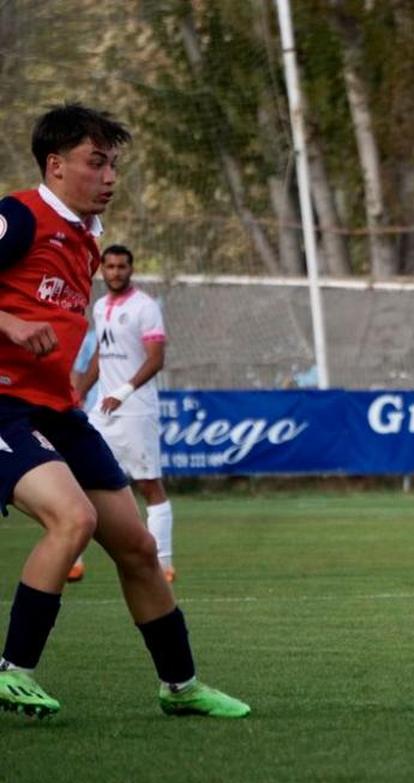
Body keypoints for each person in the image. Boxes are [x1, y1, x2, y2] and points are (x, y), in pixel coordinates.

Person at [0, 103, 249, 719]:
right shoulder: (16, 217)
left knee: (137, 547)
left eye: (113, 163)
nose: (109, 176)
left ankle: (181, 686)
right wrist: (10, 321)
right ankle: (12, 670)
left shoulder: (87, 239)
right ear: (55, 166)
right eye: (95, 162)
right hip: (3, 406)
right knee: (72, 519)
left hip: (57, 410)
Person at [75, 245, 176, 583]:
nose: (115, 272)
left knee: (148, 484)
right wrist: (80, 391)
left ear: (131, 269)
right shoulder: (101, 306)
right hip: (102, 410)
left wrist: (124, 391)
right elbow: (101, 355)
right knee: (74, 478)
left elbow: (155, 359)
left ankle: (163, 562)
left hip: (135, 410)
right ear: (101, 270)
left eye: (121, 267)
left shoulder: (145, 308)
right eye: (110, 267)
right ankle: (73, 559)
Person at [65, 329, 99, 582]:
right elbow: (76, 371)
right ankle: (73, 561)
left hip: (120, 412)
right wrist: (74, 400)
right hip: (90, 414)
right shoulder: (86, 336)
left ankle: (162, 561)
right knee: (72, 483)